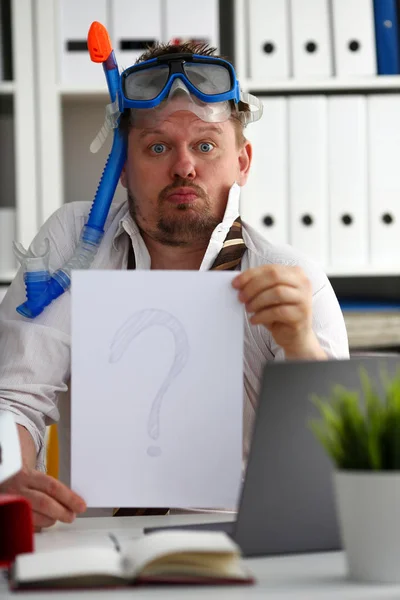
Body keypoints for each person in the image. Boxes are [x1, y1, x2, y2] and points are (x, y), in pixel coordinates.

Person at [0, 41, 349, 530]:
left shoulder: (293, 279)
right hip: (92, 546)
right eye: (158, 146)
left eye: (205, 145)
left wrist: (301, 348)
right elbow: (15, 395)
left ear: (242, 161)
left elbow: (338, 462)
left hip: (239, 545)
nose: (184, 166)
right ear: (121, 165)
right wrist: (8, 478)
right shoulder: (72, 242)